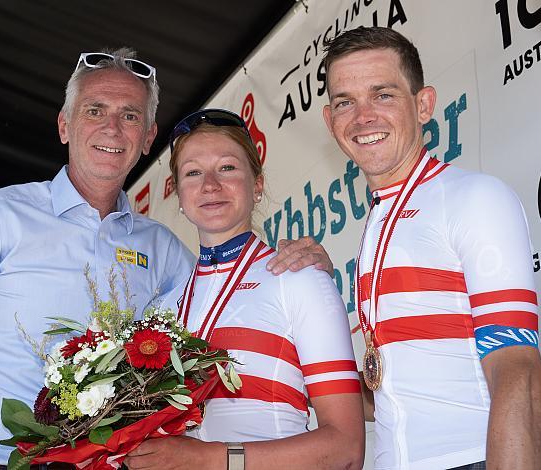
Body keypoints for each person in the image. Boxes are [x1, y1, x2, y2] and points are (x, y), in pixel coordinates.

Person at [0, 50, 332, 469]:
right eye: (95, 110)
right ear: (64, 125)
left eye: (129, 116)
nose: (111, 127)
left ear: (147, 138)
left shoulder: (164, 249)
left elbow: (237, 314)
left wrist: (303, 263)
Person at [321, 26, 541, 469]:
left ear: (423, 104)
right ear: (330, 121)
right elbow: (396, 385)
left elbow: (517, 369)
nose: (363, 116)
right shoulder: (377, 223)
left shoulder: (474, 197)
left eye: (382, 94)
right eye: (345, 101)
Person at [123, 109, 365, 470]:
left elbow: (346, 449)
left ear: (258, 184)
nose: (209, 185)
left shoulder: (299, 278)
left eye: (227, 168)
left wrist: (208, 459)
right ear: (180, 196)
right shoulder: (162, 311)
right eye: (193, 173)